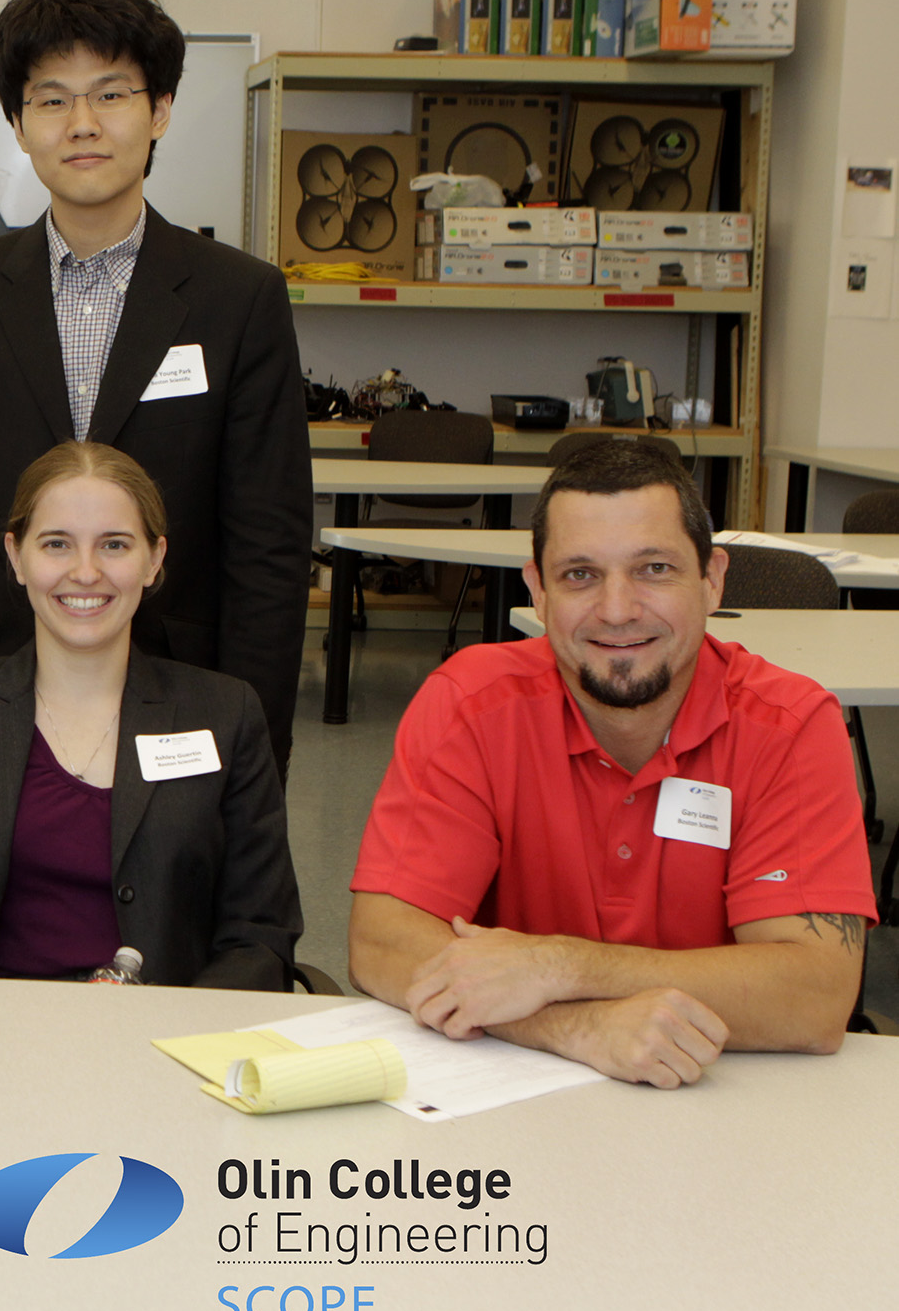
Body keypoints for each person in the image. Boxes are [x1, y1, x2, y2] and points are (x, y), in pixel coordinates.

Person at [348, 439, 876, 1087]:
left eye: (653, 569)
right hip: (510, 1098)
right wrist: (575, 1028)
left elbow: (814, 997)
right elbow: (380, 942)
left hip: (726, 1101)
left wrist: (558, 968)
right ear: (536, 590)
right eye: (579, 575)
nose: (618, 610)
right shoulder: (468, 704)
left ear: (711, 579)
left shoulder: (790, 726)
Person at [0, 0, 311, 778]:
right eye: (51, 100)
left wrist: (256, 745)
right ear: (17, 124)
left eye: (110, 95)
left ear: (158, 112)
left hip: (180, 682)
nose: (81, 125)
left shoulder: (238, 297)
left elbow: (267, 545)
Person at [0, 441, 301, 987]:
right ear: (16, 557)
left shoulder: (227, 716)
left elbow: (260, 936)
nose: (85, 572)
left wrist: (175, 1033)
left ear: (155, 559)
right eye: (57, 543)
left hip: (163, 1048)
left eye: (114, 545)